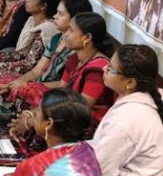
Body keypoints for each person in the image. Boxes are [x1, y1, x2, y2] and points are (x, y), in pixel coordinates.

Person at [90, 44, 163, 176]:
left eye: (110, 68)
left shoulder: (127, 119)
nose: (104, 69)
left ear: (130, 82)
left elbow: (98, 173)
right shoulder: (141, 101)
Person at [7, 12, 116, 149]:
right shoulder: (75, 58)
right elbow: (62, 87)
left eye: (71, 30)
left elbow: (80, 108)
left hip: (85, 119)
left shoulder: (97, 69)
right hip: (69, 109)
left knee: (49, 121)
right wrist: (31, 113)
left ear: (87, 37)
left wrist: (33, 121)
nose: (66, 35)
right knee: (32, 97)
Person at [0, 0, 93, 120]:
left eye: (60, 14)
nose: (55, 16)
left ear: (75, 19)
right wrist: (18, 83)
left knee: (23, 93)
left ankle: (26, 116)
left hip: (55, 92)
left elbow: (63, 84)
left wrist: (29, 86)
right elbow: (37, 70)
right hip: (41, 84)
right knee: (7, 81)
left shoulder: (76, 50)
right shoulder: (56, 39)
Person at [0, 0, 62, 87]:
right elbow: (21, 54)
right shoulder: (31, 21)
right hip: (24, 66)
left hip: (34, 74)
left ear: (43, 6)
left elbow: (30, 64)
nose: (27, 0)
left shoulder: (46, 30)